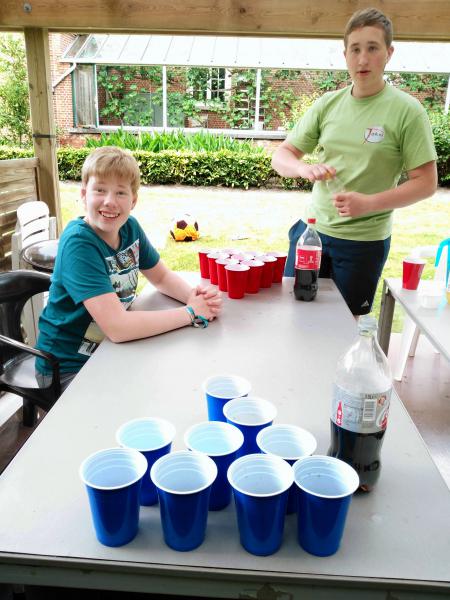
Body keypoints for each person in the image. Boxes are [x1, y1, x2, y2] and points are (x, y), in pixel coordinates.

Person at [271, 7, 437, 316]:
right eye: (355, 49)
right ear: (345, 54)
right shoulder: (327, 104)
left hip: (363, 244)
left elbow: (426, 183)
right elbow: (282, 156)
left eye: (372, 48)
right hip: (311, 236)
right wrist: (303, 168)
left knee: (346, 327)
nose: (362, 59)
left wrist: (369, 203)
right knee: (296, 317)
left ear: (388, 53)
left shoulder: (407, 111)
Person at [35, 146, 222, 392]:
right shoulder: (79, 244)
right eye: (100, 190)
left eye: (120, 192)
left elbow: (162, 277)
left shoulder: (129, 228)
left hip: (109, 351)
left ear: (133, 201)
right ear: (83, 195)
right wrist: (190, 313)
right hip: (68, 367)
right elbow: (118, 327)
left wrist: (192, 298)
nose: (110, 201)